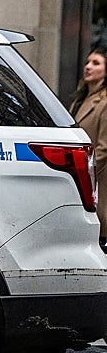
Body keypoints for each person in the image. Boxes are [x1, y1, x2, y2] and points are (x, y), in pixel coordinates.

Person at [68, 48, 107, 251]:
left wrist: (84, 173)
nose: (88, 66)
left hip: (95, 180)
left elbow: (104, 148)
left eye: (96, 63)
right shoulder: (79, 99)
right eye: (88, 61)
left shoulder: (104, 102)